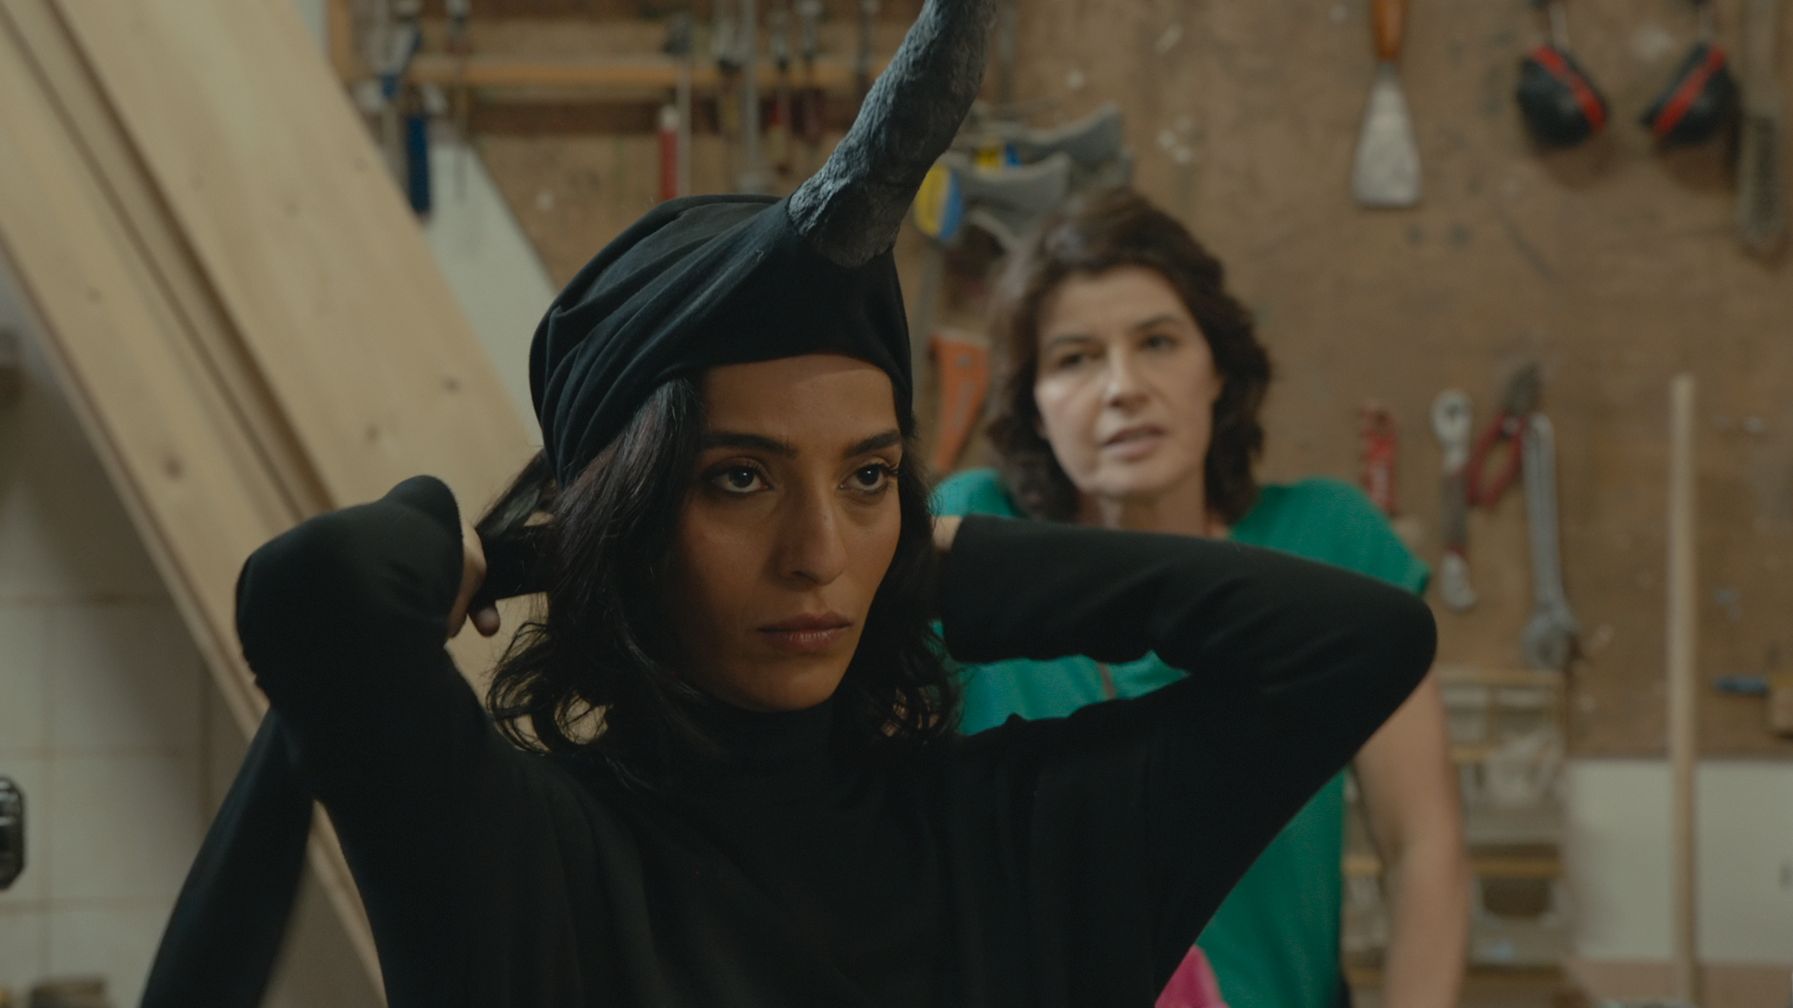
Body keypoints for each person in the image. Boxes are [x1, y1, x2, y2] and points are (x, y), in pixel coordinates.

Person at [141, 5, 1436, 1005]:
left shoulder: (1013, 843)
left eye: (867, 476)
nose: (819, 554)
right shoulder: (529, 856)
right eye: (739, 478)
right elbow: (321, 593)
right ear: (627, 515)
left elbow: (1363, 640)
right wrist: (516, 548)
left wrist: (925, 561)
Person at [933, 188, 1470, 1008]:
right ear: (1032, 403)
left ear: (1216, 367)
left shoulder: (1327, 542)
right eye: (1074, 359)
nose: (1122, 387)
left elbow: (1421, 844)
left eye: (1157, 342)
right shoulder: (974, 538)